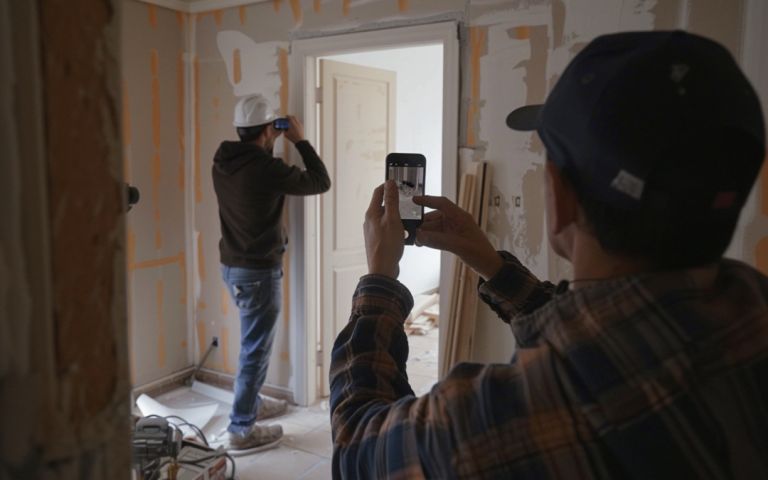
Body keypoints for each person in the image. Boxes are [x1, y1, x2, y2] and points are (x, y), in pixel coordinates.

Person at [329, 31, 767, 478]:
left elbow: (357, 447)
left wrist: (380, 279)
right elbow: (606, 338)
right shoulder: (750, 319)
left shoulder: (493, 424)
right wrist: (490, 263)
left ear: (561, 197)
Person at [213, 94, 331, 450]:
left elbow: (256, 166)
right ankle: (241, 428)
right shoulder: (266, 168)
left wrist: (268, 141)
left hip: (232, 266)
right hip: (259, 273)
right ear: (269, 129)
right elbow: (319, 181)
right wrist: (300, 140)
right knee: (255, 351)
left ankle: (252, 404)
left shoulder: (223, 160)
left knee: (252, 346)